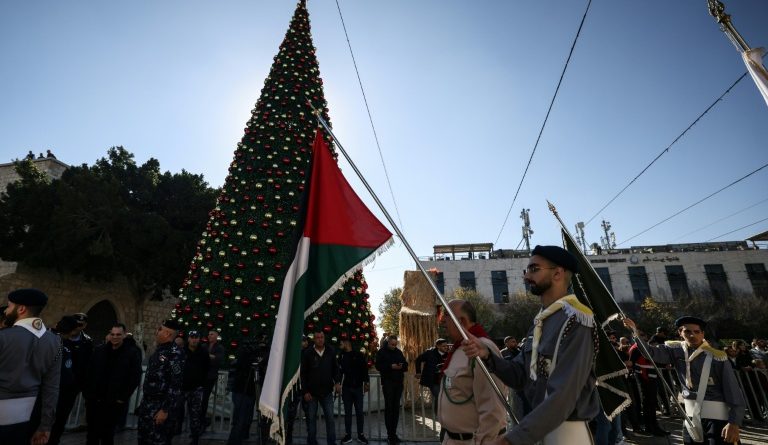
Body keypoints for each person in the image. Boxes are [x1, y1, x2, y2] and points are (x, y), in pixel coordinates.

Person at [463, 245, 600, 445]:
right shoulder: (541, 321)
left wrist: (513, 439)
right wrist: (487, 355)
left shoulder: (577, 320)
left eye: (534, 269)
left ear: (558, 273)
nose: (527, 277)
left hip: (567, 433)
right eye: (527, 271)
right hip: (538, 429)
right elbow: (521, 376)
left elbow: (564, 396)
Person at [623, 316, 744, 444]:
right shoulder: (675, 350)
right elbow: (650, 353)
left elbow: (734, 392)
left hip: (717, 420)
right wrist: (634, 332)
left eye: (697, 332)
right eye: (687, 331)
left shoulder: (717, 357)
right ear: (680, 333)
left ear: (703, 333)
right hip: (690, 418)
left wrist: (734, 423)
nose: (692, 335)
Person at [438, 300, 507, 445]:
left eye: (447, 315)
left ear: (461, 321)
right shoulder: (459, 348)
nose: (442, 320)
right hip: (452, 439)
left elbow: (493, 409)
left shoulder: (481, 348)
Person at [0, 288, 62, 445]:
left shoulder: (4, 337)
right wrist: (46, 425)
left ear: (21, 309)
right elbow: (52, 387)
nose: (6, 311)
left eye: (9, 306)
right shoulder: (54, 342)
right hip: (29, 418)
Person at [84, 323, 142, 445]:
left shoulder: (131, 354)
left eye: (118, 334)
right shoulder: (100, 350)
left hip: (113, 402)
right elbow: (89, 372)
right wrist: (87, 394)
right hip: (94, 400)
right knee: (91, 434)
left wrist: (122, 398)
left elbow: (134, 377)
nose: (115, 337)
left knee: (107, 434)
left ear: (124, 335)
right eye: (113, 334)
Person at [137, 319, 185, 445]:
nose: (156, 332)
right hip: (148, 406)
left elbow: (176, 384)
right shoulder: (160, 350)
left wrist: (165, 410)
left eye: (159, 329)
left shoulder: (175, 354)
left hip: (160, 408)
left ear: (168, 334)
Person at [301, 331, 341, 445]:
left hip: (327, 392)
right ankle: (312, 442)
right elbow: (303, 374)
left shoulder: (330, 351)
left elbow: (336, 369)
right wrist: (305, 391)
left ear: (324, 338)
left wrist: (337, 382)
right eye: (317, 337)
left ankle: (331, 443)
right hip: (311, 393)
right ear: (314, 339)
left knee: (330, 419)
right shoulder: (308, 353)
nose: (320, 339)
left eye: (322, 337)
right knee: (311, 420)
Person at [227, 334, 268, 445]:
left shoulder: (263, 354)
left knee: (246, 417)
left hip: (251, 390)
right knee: (240, 419)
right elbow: (242, 365)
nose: (262, 343)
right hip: (242, 390)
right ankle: (234, 441)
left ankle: (243, 435)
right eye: (260, 340)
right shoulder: (245, 353)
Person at [177, 331, 209, 445]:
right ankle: (173, 432)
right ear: (188, 339)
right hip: (182, 388)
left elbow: (207, 369)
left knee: (195, 415)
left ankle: (195, 438)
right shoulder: (181, 351)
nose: (194, 340)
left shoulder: (203, 353)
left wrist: (202, 384)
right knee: (175, 411)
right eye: (192, 337)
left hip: (196, 389)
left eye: (196, 337)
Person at [375, 334, 408, 444]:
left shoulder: (398, 352)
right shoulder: (381, 352)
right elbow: (378, 366)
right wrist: (390, 366)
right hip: (388, 383)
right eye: (392, 344)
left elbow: (406, 365)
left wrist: (401, 366)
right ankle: (390, 434)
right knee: (389, 408)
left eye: (395, 344)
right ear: (387, 342)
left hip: (398, 383)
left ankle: (393, 433)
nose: (394, 346)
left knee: (395, 409)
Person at [339, 338, 370, 444]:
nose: (340, 345)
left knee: (359, 412)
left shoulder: (359, 355)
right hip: (347, 388)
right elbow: (339, 371)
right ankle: (348, 435)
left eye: (341, 343)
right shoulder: (341, 356)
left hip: (358, 388)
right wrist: (337, 383)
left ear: (347, 343)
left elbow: (364, 369)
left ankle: (360, 435)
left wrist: (366, 382)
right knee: (347, 413)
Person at [415, 338, 449, 413]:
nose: (446, 347)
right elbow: (418, 360)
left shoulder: (448, 355)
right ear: (438, 346)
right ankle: (438, 414)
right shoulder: (429, 353)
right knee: (438, 395)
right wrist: (418, 372)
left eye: (446, 346)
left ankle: (444, 414)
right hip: (433, 380)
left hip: (444, 379)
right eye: (444, 346)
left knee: (445, 396)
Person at [201, 329, 225, 428]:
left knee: (204, 398)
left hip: (210, 376)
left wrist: (207, 357)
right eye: (209, 334)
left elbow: (218, 359)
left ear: (216, 336)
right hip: (201, 375)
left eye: (212, 334)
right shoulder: (204, 346)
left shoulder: (219, 347)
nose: (209, 336)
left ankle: (202, 420)